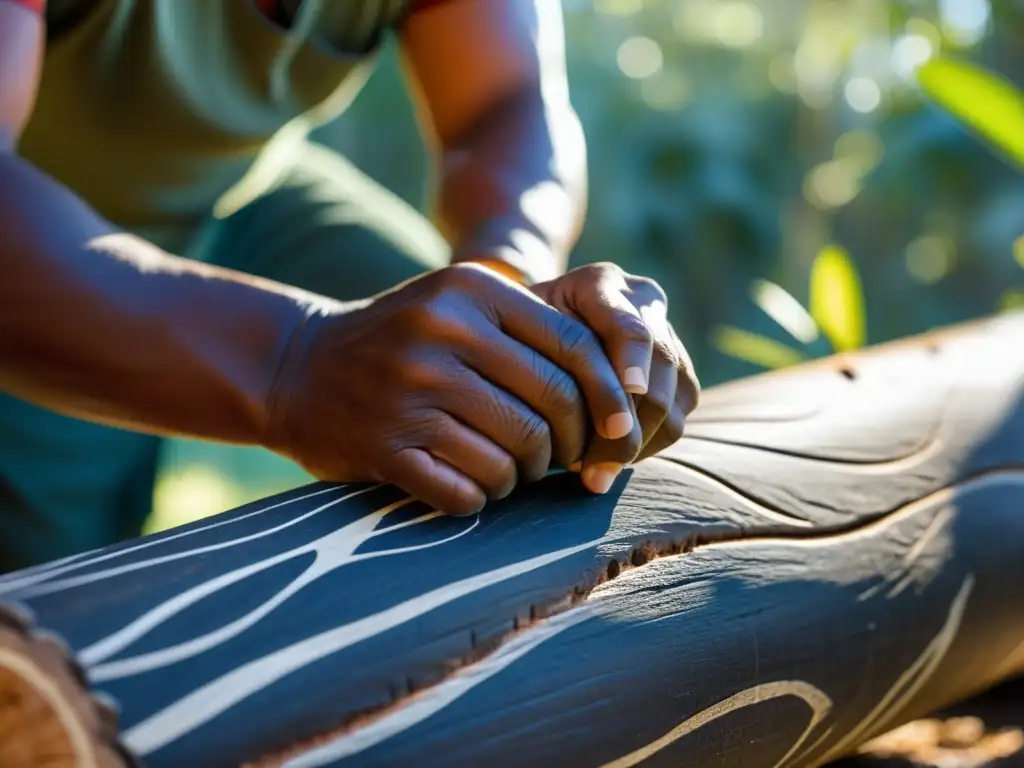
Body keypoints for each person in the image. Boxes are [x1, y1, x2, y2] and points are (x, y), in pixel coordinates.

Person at [0, 0, 699, 571]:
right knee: (52, 580)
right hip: (33, 225)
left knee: (471, 380)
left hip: (242, 190)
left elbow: (507, 101)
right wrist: (292, 366)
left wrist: (511, 295)